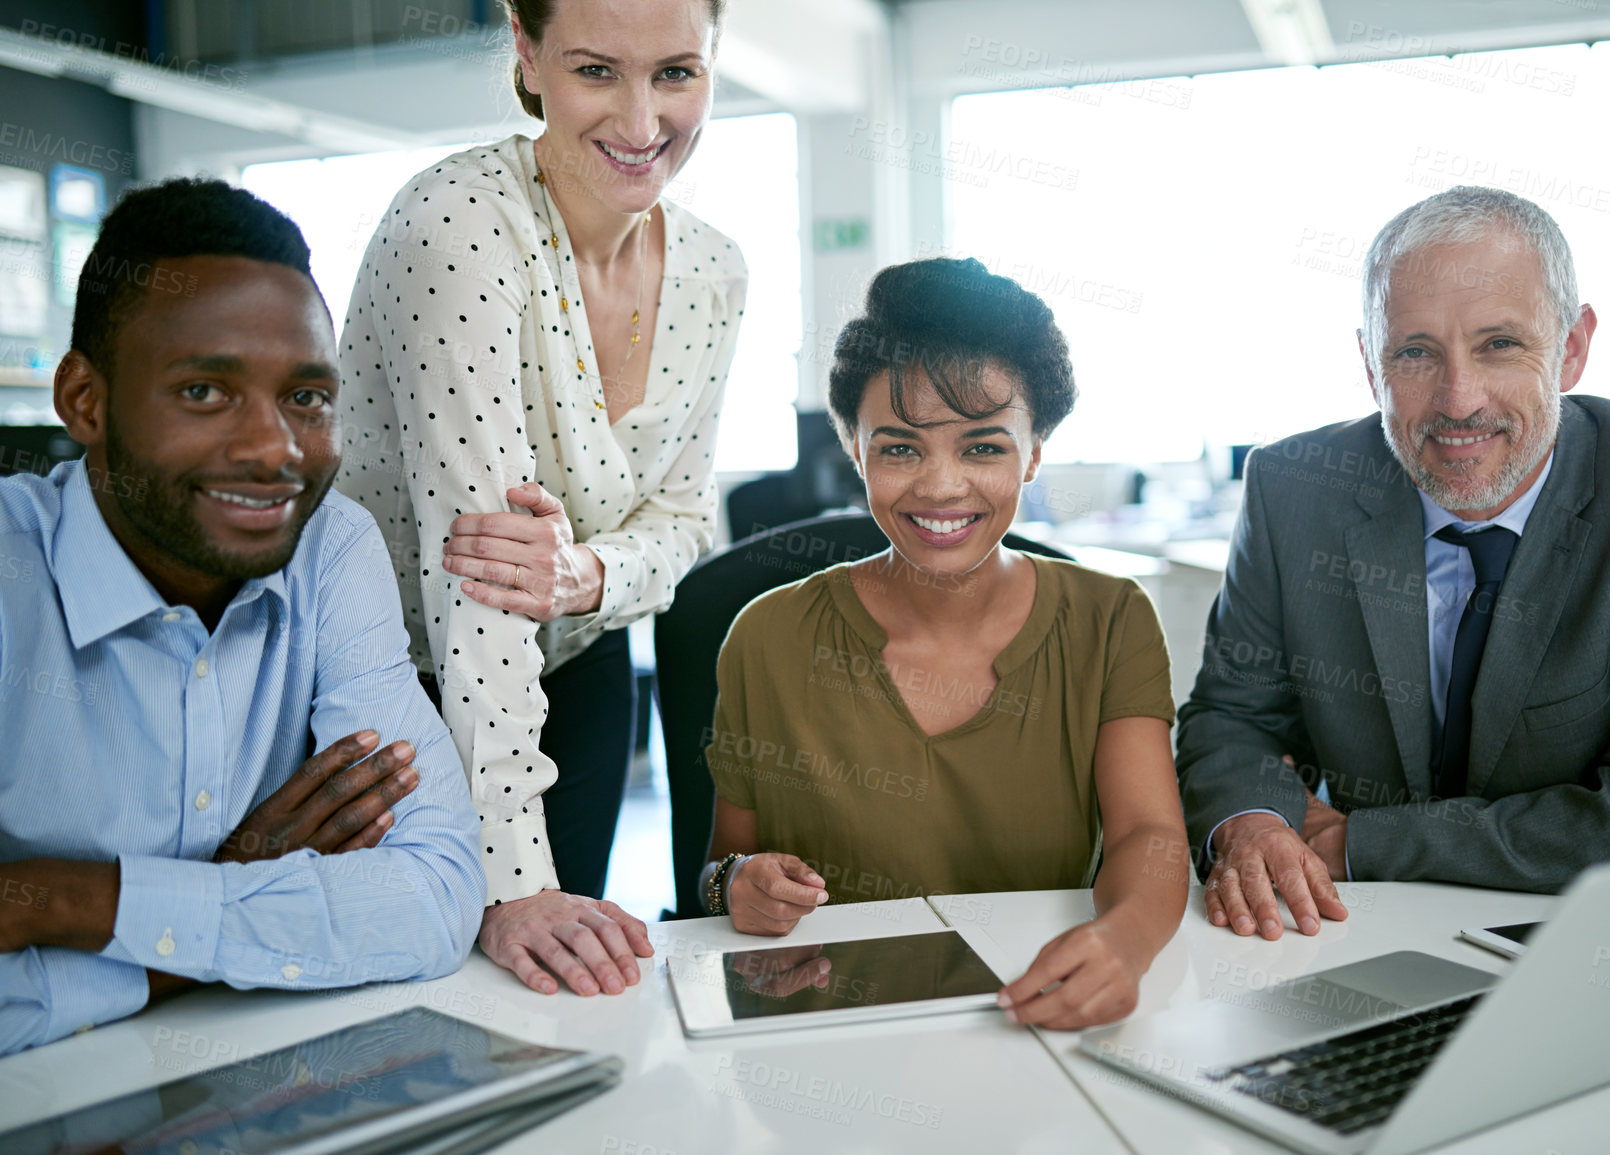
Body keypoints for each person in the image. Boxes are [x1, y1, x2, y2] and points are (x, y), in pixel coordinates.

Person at [0, 178, 485, 1055]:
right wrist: (234, 902)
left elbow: (433, 900)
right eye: (204, 392)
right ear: (86, 402)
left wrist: (80, 900)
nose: (274, 449)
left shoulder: (330, 542)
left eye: (306, 396)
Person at [1178, 185, 1610, 942]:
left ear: (1570, 348)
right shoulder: (1294, 486)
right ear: (1371, 367)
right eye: (1413, 352)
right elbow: (1233, 715)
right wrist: (1252, 824)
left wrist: (1359, 843)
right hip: (1340, 933)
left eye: (1499, 344)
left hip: (1595, 948)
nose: (1458, 399)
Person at [336, 0, 745, 997]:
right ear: (526, 49)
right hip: (407, 688)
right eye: (598, 71)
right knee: (435, 1003)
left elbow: (687, 519)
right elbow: (477, 579)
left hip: (581, 667)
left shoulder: (715, 272)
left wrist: (590, 574)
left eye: (678, 74)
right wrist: (511, 881)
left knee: (569, 1003)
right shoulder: (461, 228)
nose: (644, 124)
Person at [701, 259, 1192, 1030]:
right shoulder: (768, 636)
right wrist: (735, 886)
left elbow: (1147, 833)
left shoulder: (1110, 618)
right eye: (898, 448)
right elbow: (722, 862)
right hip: (830, 1035)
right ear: (852, 447)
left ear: (1033, 451)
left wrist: (1122, 941)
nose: (938, 485)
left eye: (983, 448)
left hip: (1030, 1011)